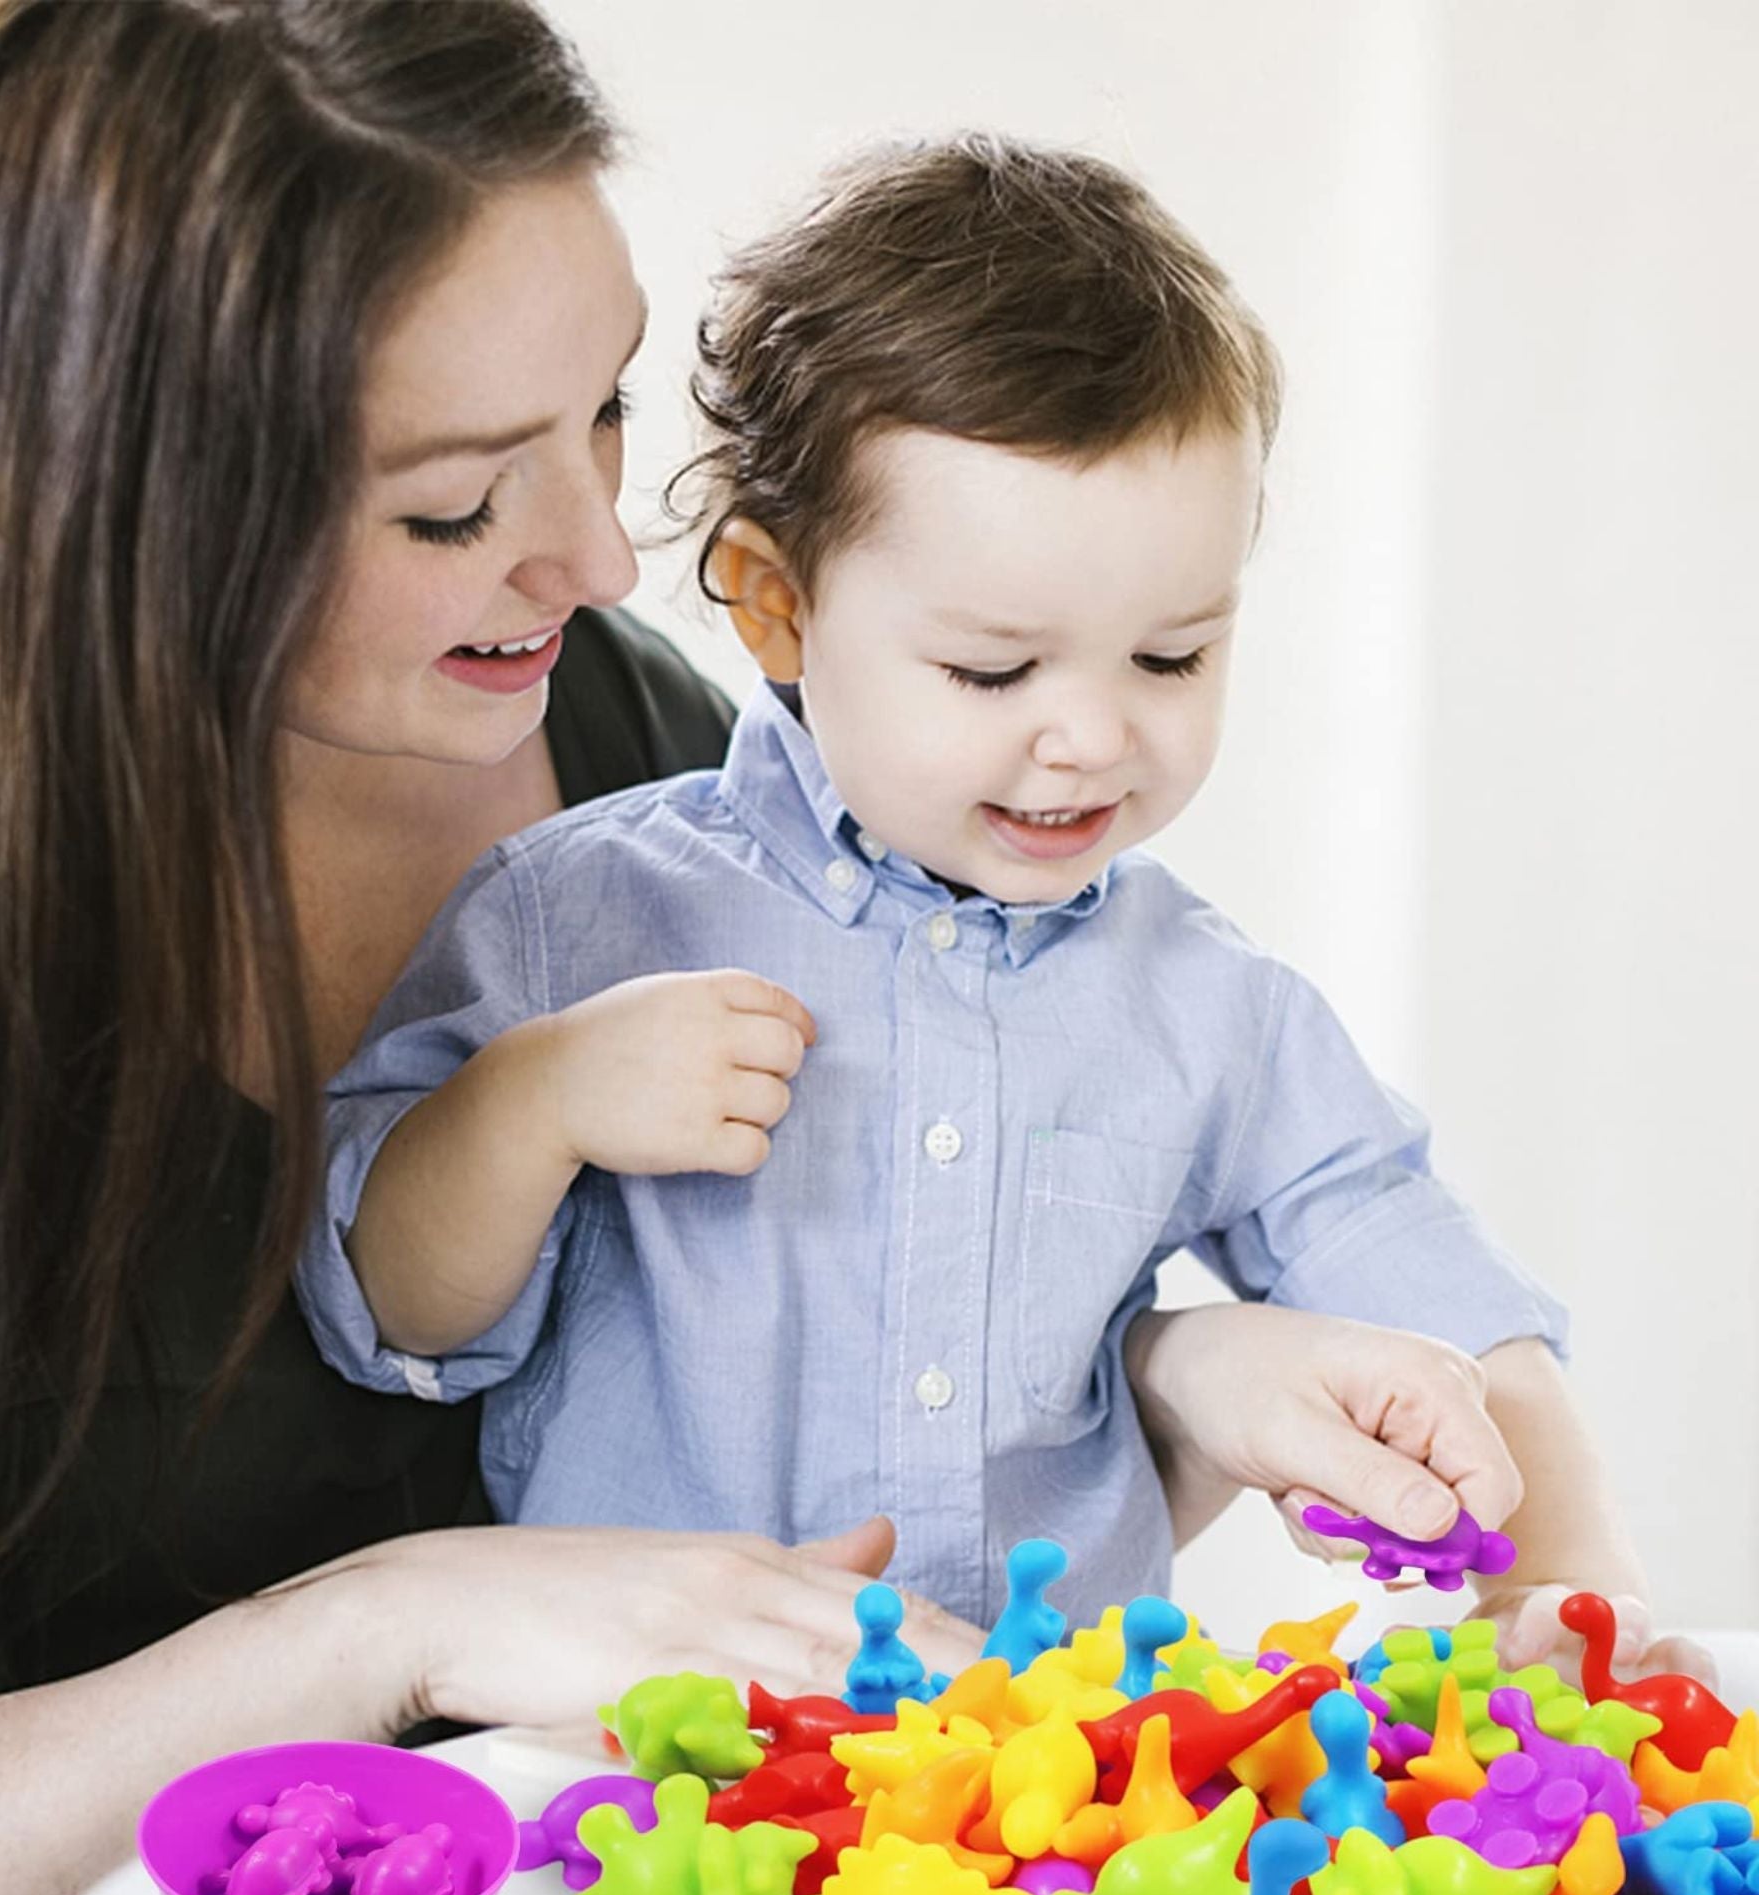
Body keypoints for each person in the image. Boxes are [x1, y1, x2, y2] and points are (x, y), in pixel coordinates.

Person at [0, 5, 991, 1895]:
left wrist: (1154, 1374)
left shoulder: (631, 747)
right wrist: (392, 1631)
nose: (598, 551)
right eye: (449, 507)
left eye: (605, 408)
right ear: (101, 515)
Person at [305, 134, 1698, 1677]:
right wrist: (532, 1103)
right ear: (777, 603)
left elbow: (1436, 1286)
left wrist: (1563, 1600)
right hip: (633, 1765)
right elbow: (390, 1312)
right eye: (993, 669)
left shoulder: (1206, 1005)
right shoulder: (578, 912)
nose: (1095, 736)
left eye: (1171, 658)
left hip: (1042, 1797)